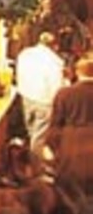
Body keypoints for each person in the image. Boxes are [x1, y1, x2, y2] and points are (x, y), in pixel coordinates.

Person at [15, 31, 68, 166]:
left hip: (26, 96)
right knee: (39, 137)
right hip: (44, 101)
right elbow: (57, 87)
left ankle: (28, 163)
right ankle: (36, 169)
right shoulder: (54, 62)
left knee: (31, 131)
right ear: (54, 45)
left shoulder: (25, 54)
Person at [51, 55, 93, 208]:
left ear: (77, 72)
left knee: (71, 191)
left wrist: (55, 149)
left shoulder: (64, 94)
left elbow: (55, 127)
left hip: (71, 144)